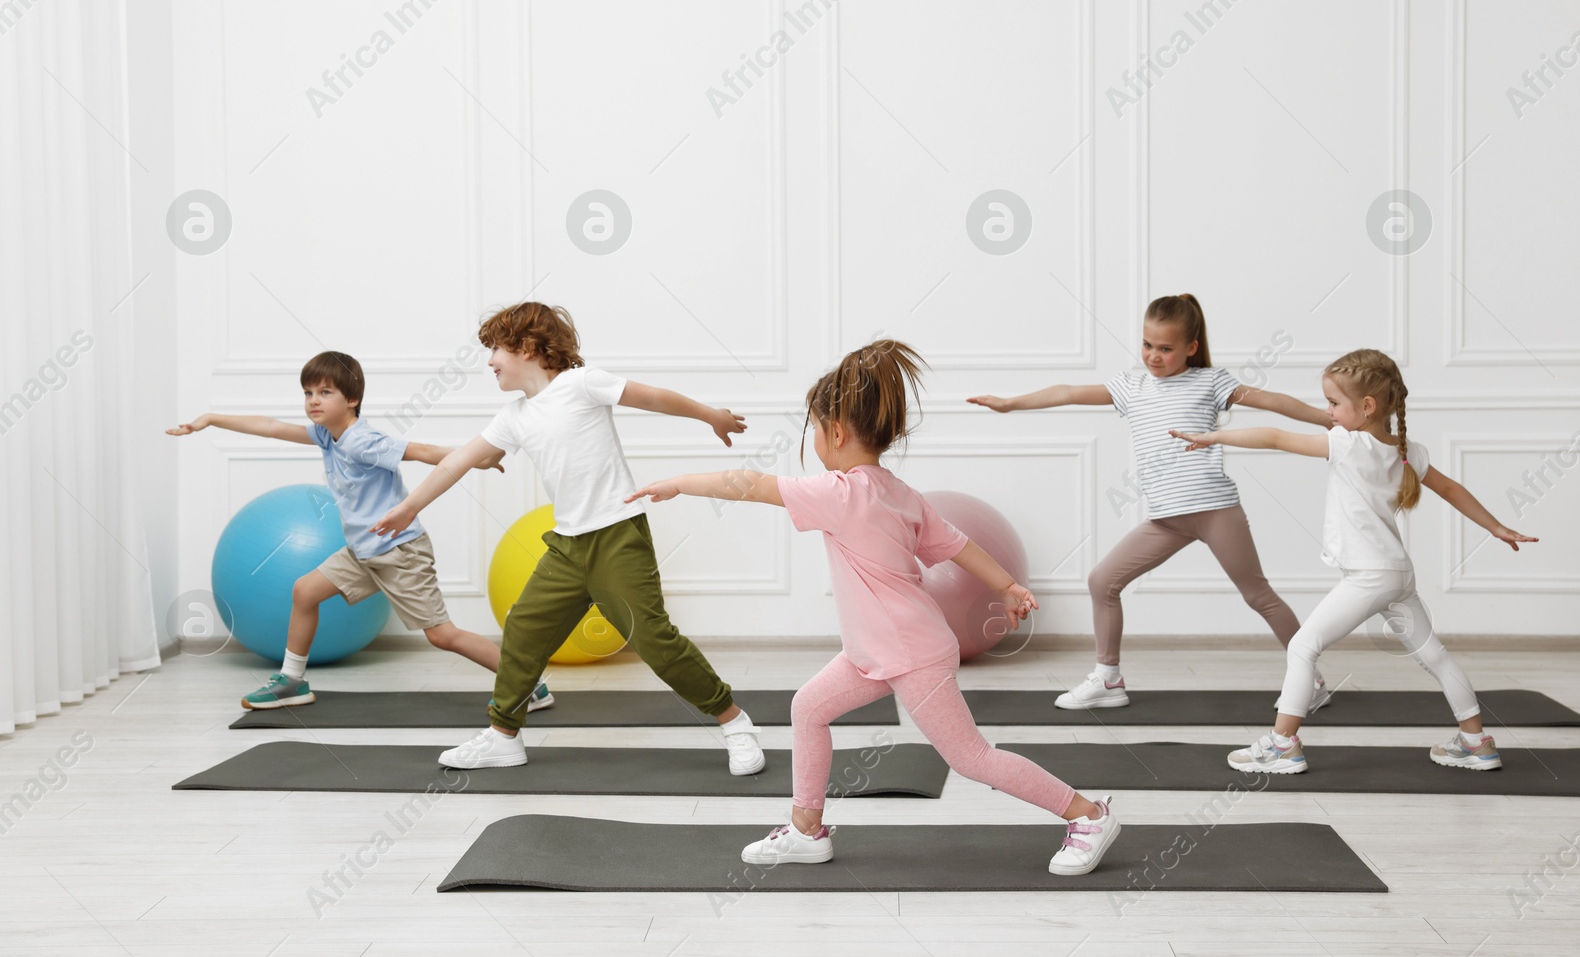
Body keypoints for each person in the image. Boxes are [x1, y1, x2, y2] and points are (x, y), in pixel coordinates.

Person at [628, 339, 1120, 875]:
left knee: (970, 757)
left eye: (815, 428)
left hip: (910, 654)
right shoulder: (899, 492)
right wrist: (1005, 584)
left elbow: (746, 484)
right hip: (875, 651)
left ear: (835, 432)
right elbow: (957, 545)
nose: (814, 439)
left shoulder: (840, 492)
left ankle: (1089, 814)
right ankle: (805, 829)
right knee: (808, 708)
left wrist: (679, 482)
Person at [371, 302, 764, 775]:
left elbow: (654, 397)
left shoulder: (581, 384)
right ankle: (503, 736)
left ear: (529, 348)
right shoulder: (514, 416)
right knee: (522, 629)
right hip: (567, 545)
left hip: (617, 538)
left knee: (653, 640)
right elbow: (458, 461)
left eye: (496, 348)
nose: (489, 360)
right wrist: (409, 507)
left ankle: (735, 723)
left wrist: (709, 415)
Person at [1170, 348, 1537, 773]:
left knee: (1303, 647)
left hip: (1369, 576)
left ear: (1367, 407)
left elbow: (1272, 437)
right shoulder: (1406, 451)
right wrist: (1496, 527)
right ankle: (1476, 741)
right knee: (1433, 655)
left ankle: (1282, 744)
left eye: (1333, 403)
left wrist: (1213, 437)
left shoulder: (1346, 443)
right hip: (1397, 574)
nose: (1327, 412)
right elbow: (1452, 489)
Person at [971, 294, 1336, 712]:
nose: (1153, 356)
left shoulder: (1210, 382)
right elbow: (1069, 391)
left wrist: (1325, 418)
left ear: (1190, 348)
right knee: (1102, 581)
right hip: (1167, 520)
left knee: (1258, 595)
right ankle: (1108, 680)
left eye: (1165, 348)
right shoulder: (1132, 386)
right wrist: (1011, 403)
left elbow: (1271, 401)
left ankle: (1313, 680)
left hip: (1215, 511)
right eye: (1147, 345)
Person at [167, 350, 538, 709]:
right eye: (309, 393)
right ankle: (292, 681)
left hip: (399, 552)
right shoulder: (327, 435)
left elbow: (422, 450)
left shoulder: (363, 442)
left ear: (352, 399)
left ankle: (530, 686)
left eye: (325, 392)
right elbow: (271, 427)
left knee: (442, 635)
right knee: (305, 591)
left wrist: (481, 460)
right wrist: (212, 418)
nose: (314, 401)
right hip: (363, 551)